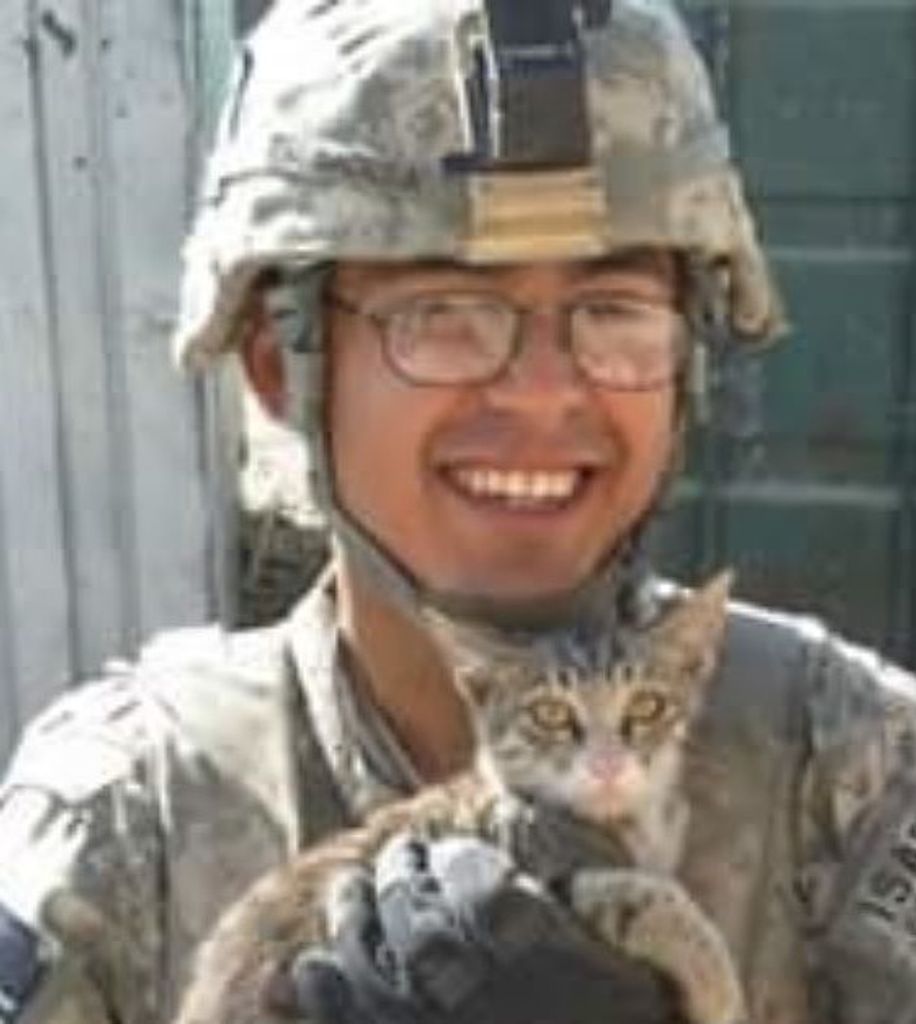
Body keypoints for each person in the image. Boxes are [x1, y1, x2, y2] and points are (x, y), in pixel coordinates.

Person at [2, 1, 916, 1022]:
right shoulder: (133, 819)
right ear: (281, 367)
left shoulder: (849, 770)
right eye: (441, 313)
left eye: (613, 311)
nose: (542, 393)